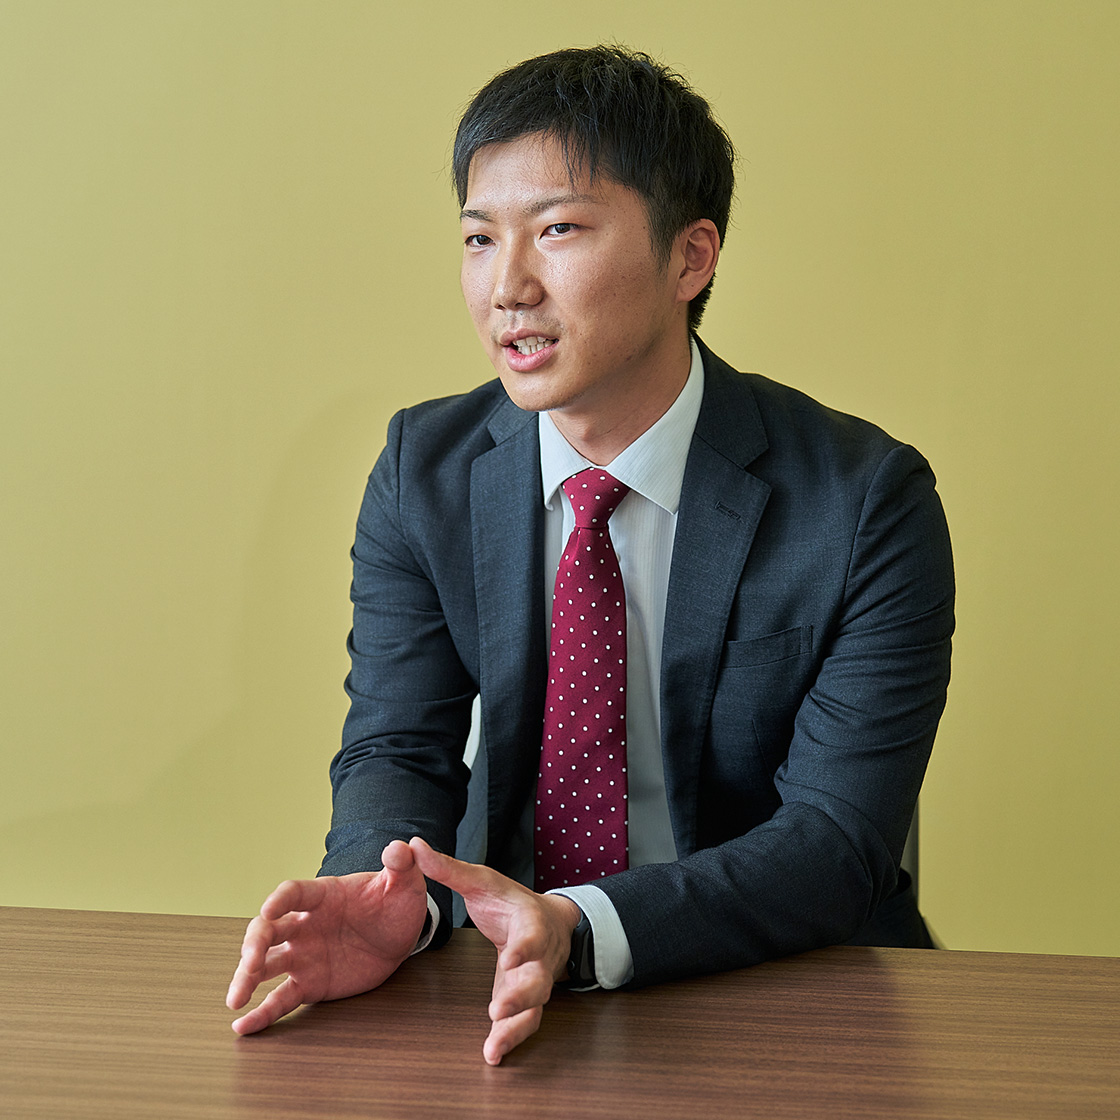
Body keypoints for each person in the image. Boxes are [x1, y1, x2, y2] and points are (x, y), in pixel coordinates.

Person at [226, 45, 954, 1066]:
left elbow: (837, 839)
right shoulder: (421, 473)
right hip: (500, 987)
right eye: (480, 238)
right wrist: (385, 892)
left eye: (558, 229)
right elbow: (398, 746)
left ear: (690, 258)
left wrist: (579, 925)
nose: (507, 287)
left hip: (791, 993)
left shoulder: (863, 500)